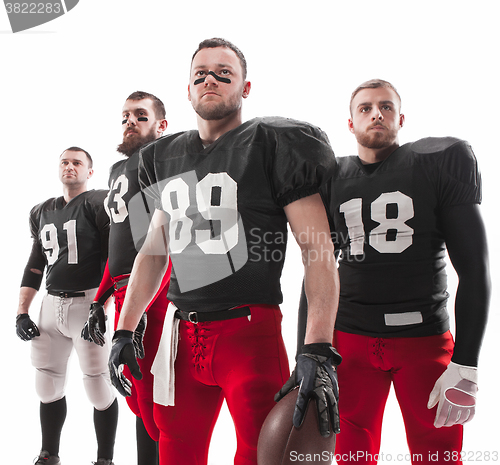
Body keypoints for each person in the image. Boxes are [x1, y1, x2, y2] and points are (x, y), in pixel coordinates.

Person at [108, 38, 341, 465]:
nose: (209, 79)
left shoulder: (273, 142)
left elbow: (317, 250)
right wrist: (126, 327)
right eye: (200, 74)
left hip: (249, 333)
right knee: (176, 452)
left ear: (245, 88)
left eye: (223, 72)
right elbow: (154, 252)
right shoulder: (163, 154)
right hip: (183, 335)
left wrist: (317, 347)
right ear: (188, 89)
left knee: (259, 454)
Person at [298, 79, 490, 464]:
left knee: (438, 456)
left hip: (423, 341)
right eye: (365, 108)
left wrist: (466, 362)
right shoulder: (332, 177)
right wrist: (308, 352)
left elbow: (474, 268)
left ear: (401, 119)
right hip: (349, 341)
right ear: (350, 124)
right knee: (351, 455)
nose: (376, 114)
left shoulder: (437, 163)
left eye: (386, 107)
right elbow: (317, 269)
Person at [82, 91, 170, 465]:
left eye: (140, 115)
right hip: (122, 293)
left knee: (158, 397)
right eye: (125, 117)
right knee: (134, 392)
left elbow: (167, 240)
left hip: (153, 291)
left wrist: (145, 305)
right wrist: (98, 300)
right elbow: (116, 245)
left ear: (161, 125)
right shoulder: (118, 170)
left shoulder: (164, 159)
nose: (130, 121)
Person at [16, 147, 119, 465]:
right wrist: (22, 311)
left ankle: (104, 459)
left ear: (90, 171)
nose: (70, 166)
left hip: (90, 302)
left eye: (78, 162)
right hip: (51, 304)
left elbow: (113, 259)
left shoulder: (98, 203)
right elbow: (35, 265)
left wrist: (102, 305)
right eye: (65, 161)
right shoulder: (41, 211)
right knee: (46, 385)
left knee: (99, 388)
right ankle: (50, 453)